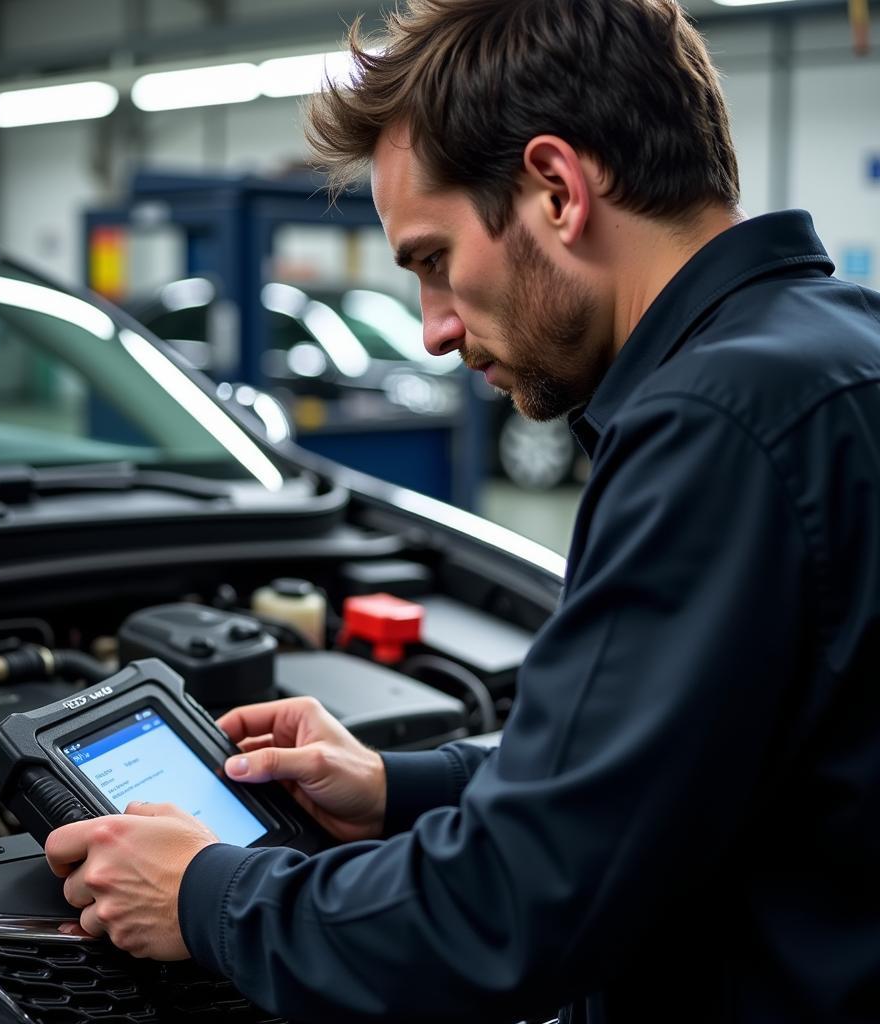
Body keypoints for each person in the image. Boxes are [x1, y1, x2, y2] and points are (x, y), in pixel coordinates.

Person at [45, 0, 880, 1020]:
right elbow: (677, 761)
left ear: (556, 190)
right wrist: (399, 787)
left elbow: (513, 908)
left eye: (434, 259)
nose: (436, 329)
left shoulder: (714, 425)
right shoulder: (834, 354)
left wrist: (208, 893)